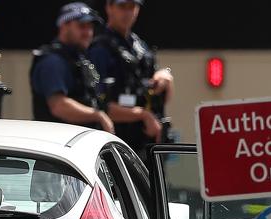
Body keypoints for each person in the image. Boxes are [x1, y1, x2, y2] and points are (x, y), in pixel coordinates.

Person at [88, 0, 174, 154]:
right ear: (109, 7)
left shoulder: (140, 46)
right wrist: (143, 115)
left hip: (146, 142)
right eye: (122, 7)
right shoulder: (100, 49)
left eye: (132, 7)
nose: (127, 13)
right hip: (116, 145)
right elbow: (98, 105)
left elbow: (156, 96)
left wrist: (165, 76)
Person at [30, 2, 114, 133]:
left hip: (75, 142)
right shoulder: (52, 61)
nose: (88, 32)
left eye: (90, 27)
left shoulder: (78, 58)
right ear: (63, 26)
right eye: (82, 26)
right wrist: (97, 115)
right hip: (56, 145)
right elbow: (59, 106)